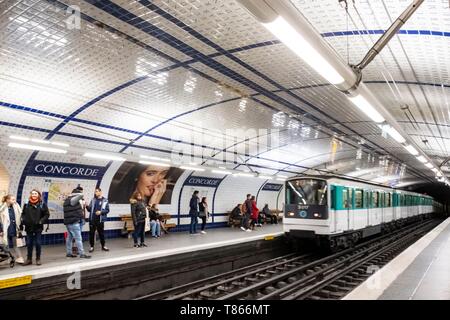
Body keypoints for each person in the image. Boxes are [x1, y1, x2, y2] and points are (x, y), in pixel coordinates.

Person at [109, 162, 183, 205]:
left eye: (163, 173)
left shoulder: (168, 197)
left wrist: (155, 199)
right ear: (137, 175)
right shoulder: (114, 194)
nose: (156, 180)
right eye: (150, 174)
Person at [21, 189, 50, 265]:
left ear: (38, 195)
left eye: (35, 193)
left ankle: (38, 258)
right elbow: (23, 213)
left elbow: (47, 214)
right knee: (29, 243)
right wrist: (24, 220)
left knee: (38, 243)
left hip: (38, 227)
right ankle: (29, 259)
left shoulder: (42, 204)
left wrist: (41, 221)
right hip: (29, 226)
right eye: (32, 193)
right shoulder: (26, 204)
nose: (34, 195)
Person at [63, 187, 91, 259]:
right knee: (78, 238)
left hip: (69, 222)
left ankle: (69, 253)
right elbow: (81, 195)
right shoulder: (72, 200)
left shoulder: (67, 200)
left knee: (69, 238)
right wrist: (77, 194)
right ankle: (82, 254)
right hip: (74, 222)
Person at [0, 195, 25, 264]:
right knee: (5, 245)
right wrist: (0, 230)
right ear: (7, 200)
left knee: (15, 244)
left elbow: (20, 215)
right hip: (5, 229)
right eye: (13, 199)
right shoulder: (2, 207)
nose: (15, 201)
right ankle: (7, 259)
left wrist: (20, 228)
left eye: (14, 199)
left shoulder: (15, 207)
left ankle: (19, 258)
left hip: (14, 228)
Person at [86, 188, 110, 252]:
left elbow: (107, 210)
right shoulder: (93, 200)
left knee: (101, 233)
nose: (95, 193)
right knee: (91, 234)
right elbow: (89, 209)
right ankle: (91, 247)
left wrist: (100, 212)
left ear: (100, 192)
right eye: (95, 192)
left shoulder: (105, 200)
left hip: (100, 220)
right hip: (92, 220)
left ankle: (103, 246)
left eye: (96, 191)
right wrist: (86, 206)